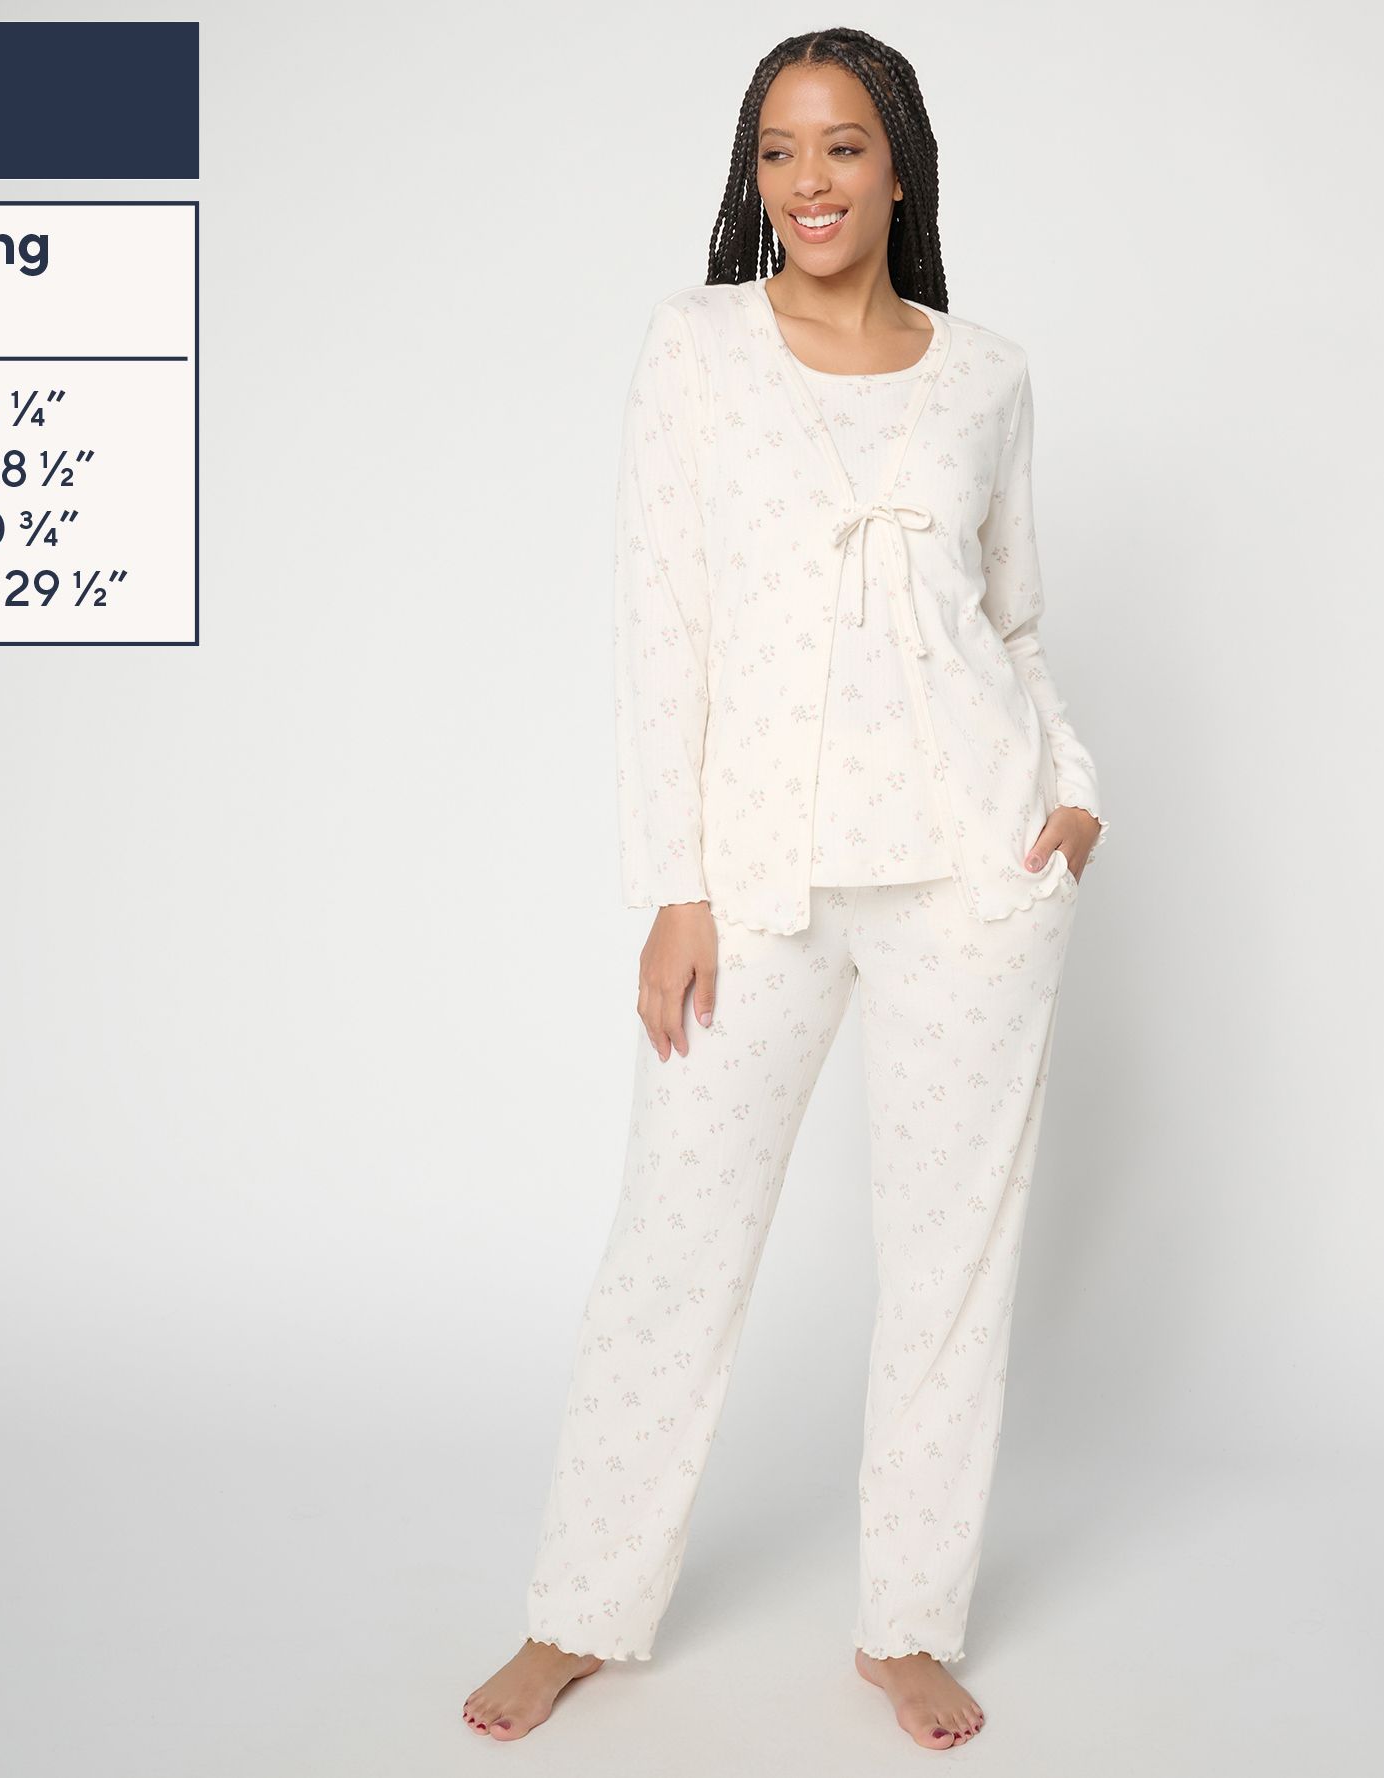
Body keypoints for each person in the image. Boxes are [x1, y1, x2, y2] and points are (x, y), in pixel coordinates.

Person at [465, 25, 1108, 1751]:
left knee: (952, 1262)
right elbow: (659, 624)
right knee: (673, 1241)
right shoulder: (696, 350)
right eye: (777, 151)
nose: (807, 181)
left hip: (977, 867)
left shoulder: (988, 377)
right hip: (757, 877)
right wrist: (673, 887)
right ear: (752, 178)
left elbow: (1014, 625)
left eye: (840, 146)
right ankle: (580, 1607)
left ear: (901, 167)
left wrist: (1074, 797)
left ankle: (908, 1622)